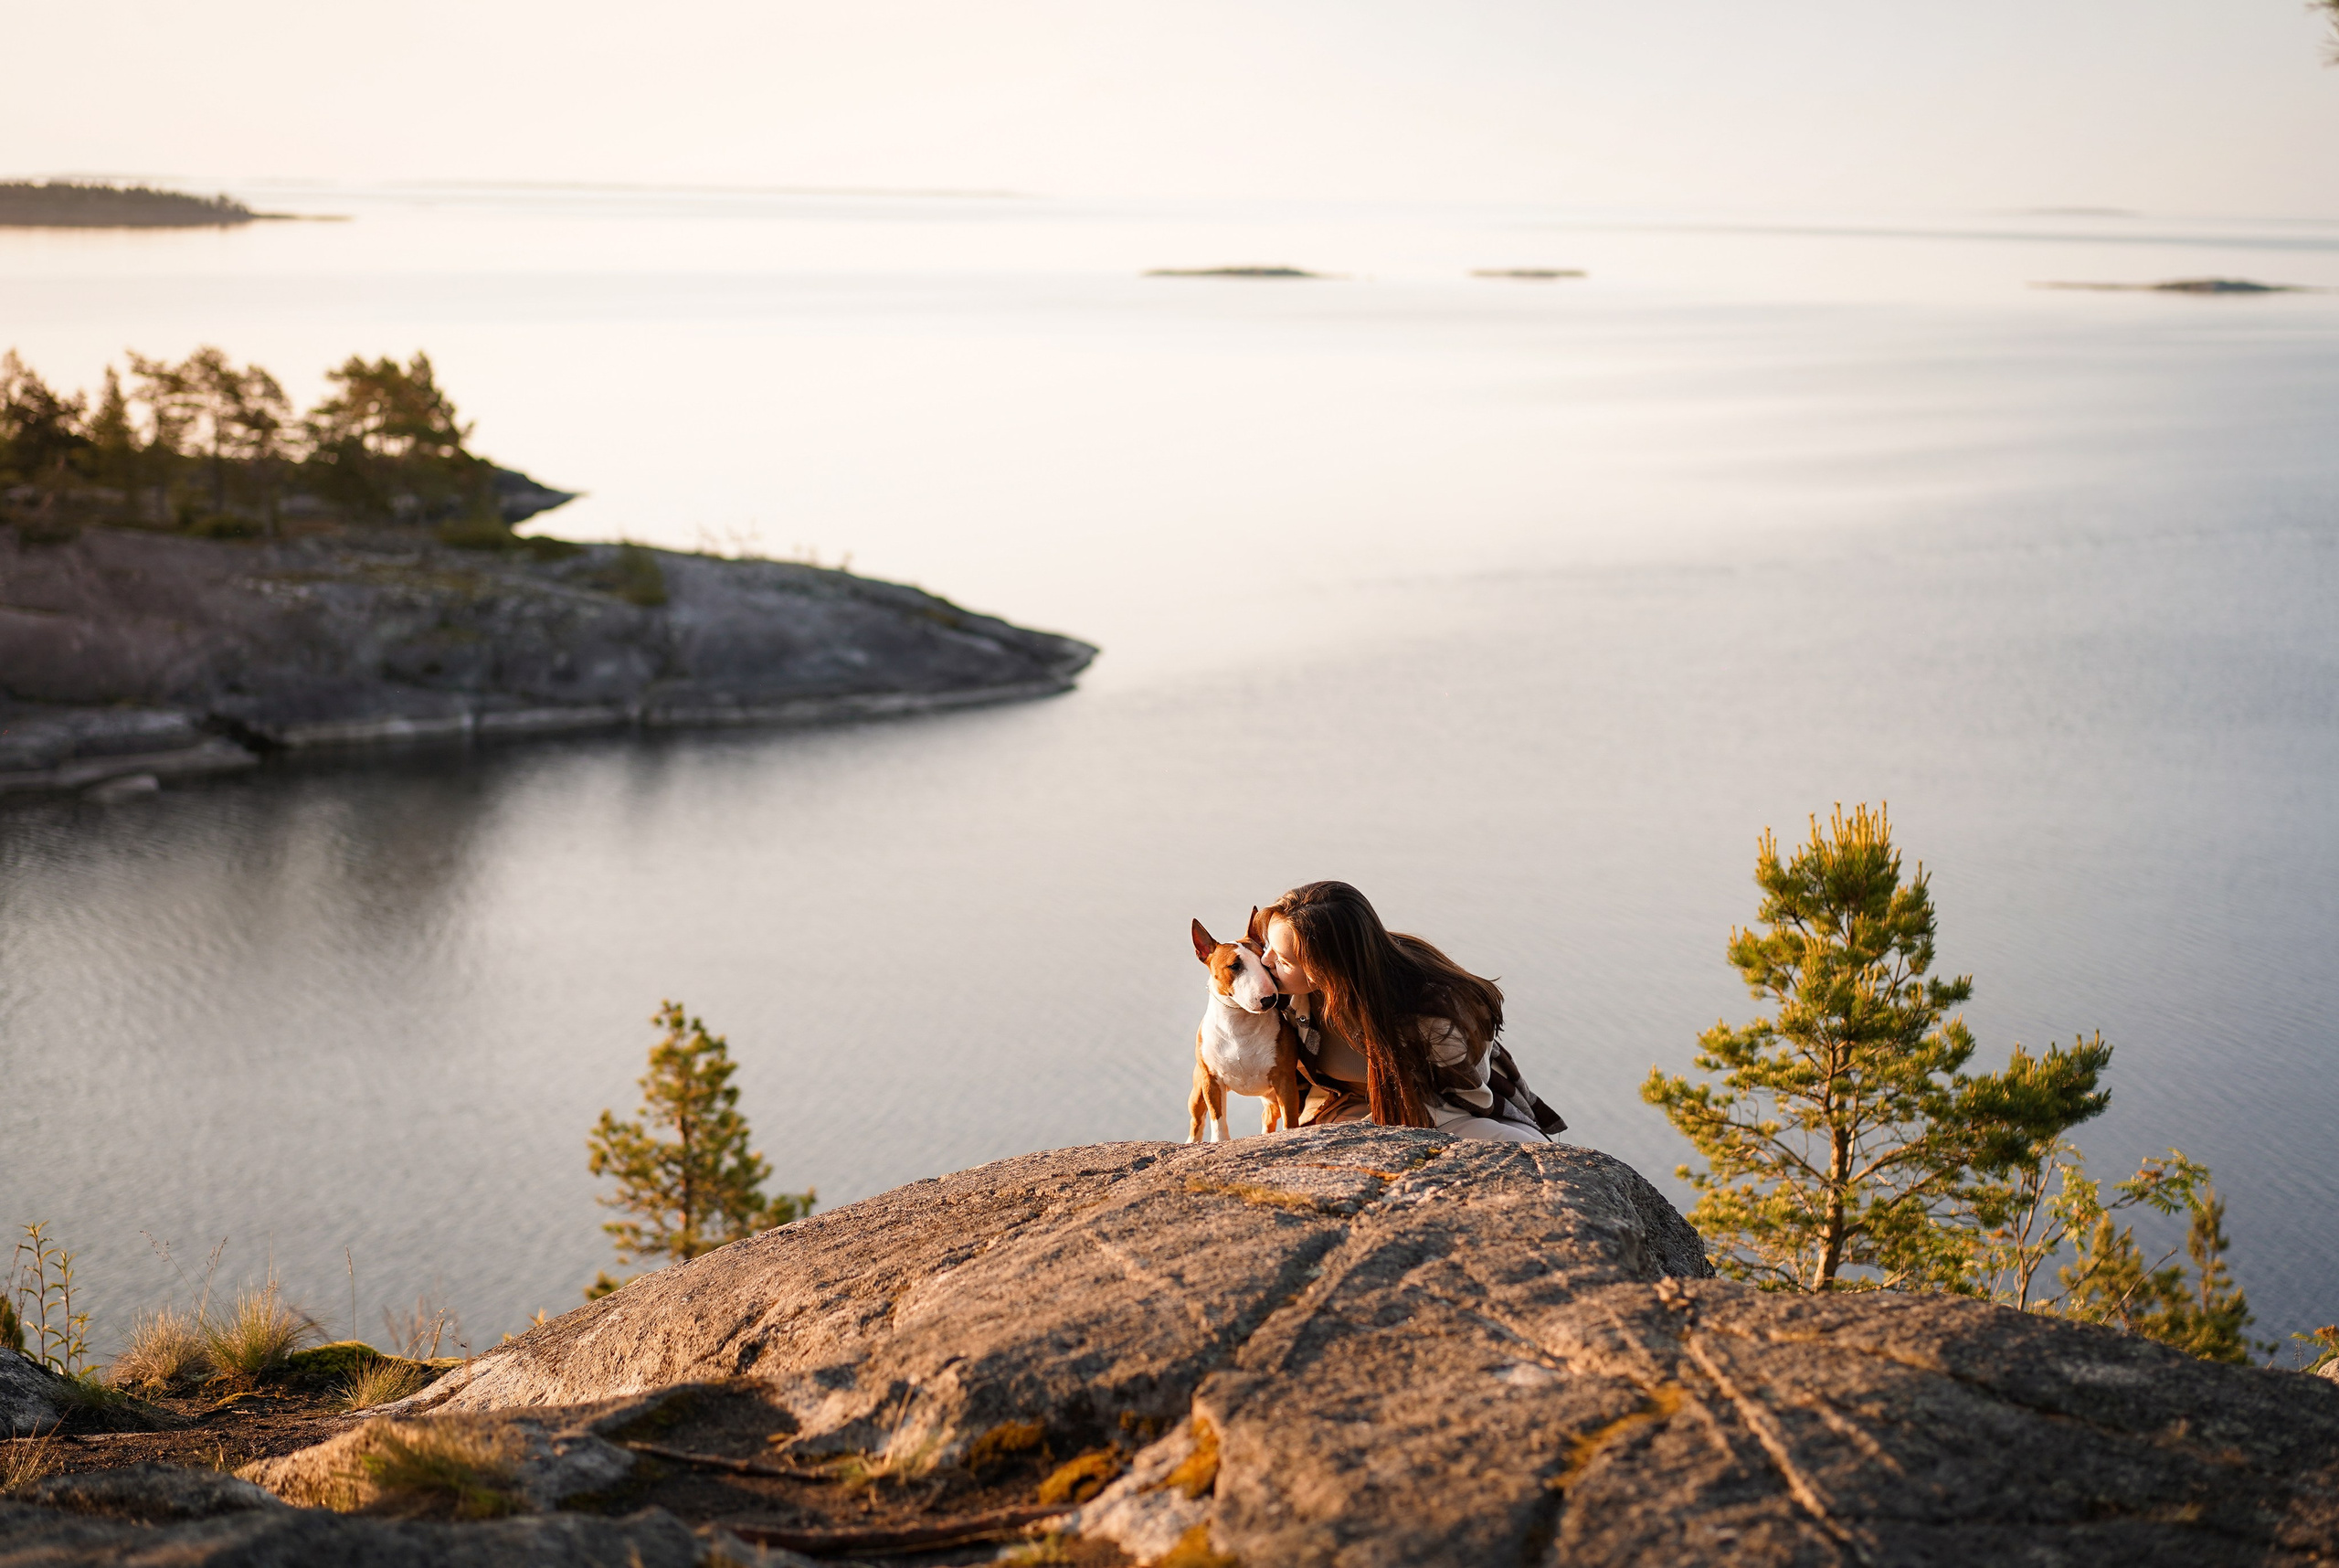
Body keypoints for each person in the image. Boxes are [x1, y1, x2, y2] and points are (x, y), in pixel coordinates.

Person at [1257, 880, 1565, 1142]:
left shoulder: (1432, 1008)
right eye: (1266, 944)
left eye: (1283, 960)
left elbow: (1469, 1087)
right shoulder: (1276, 993)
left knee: (1541, 1155)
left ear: (1325, 969)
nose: (1266, 960)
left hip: (1438, 1109)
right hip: (1342, 1108)